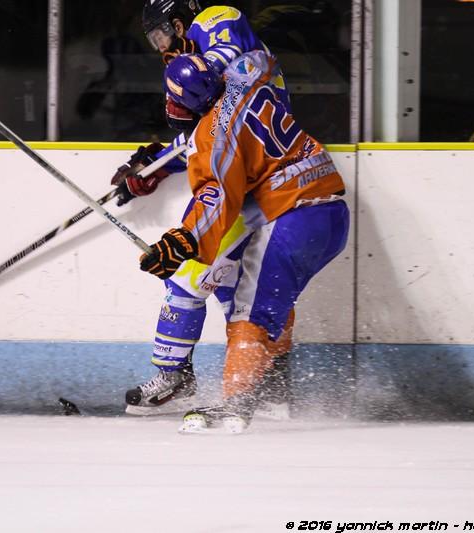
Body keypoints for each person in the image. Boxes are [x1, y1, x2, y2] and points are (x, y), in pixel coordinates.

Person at [139, 50, 349, 433]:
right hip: (332, 211)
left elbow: (216, 197)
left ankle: (236, 403)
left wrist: (182, 241)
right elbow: (264, 58)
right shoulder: (245, 75)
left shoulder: (211, 139)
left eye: (174, 101)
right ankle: (274, 388)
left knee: (249, 312)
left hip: (292, 215)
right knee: (270, 302)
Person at [119, 0, 299, 418]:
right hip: (260, 183)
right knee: (239, 289)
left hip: (249, 190)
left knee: (187, 275)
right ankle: (272, 386)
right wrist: (154, 165)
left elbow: (225, 53)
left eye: (161, 35)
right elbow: (207, 136)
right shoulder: (230, 93)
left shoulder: (215, 19)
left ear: (179, 22)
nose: (162, 47)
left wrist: (192, 71)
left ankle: (175, 377)